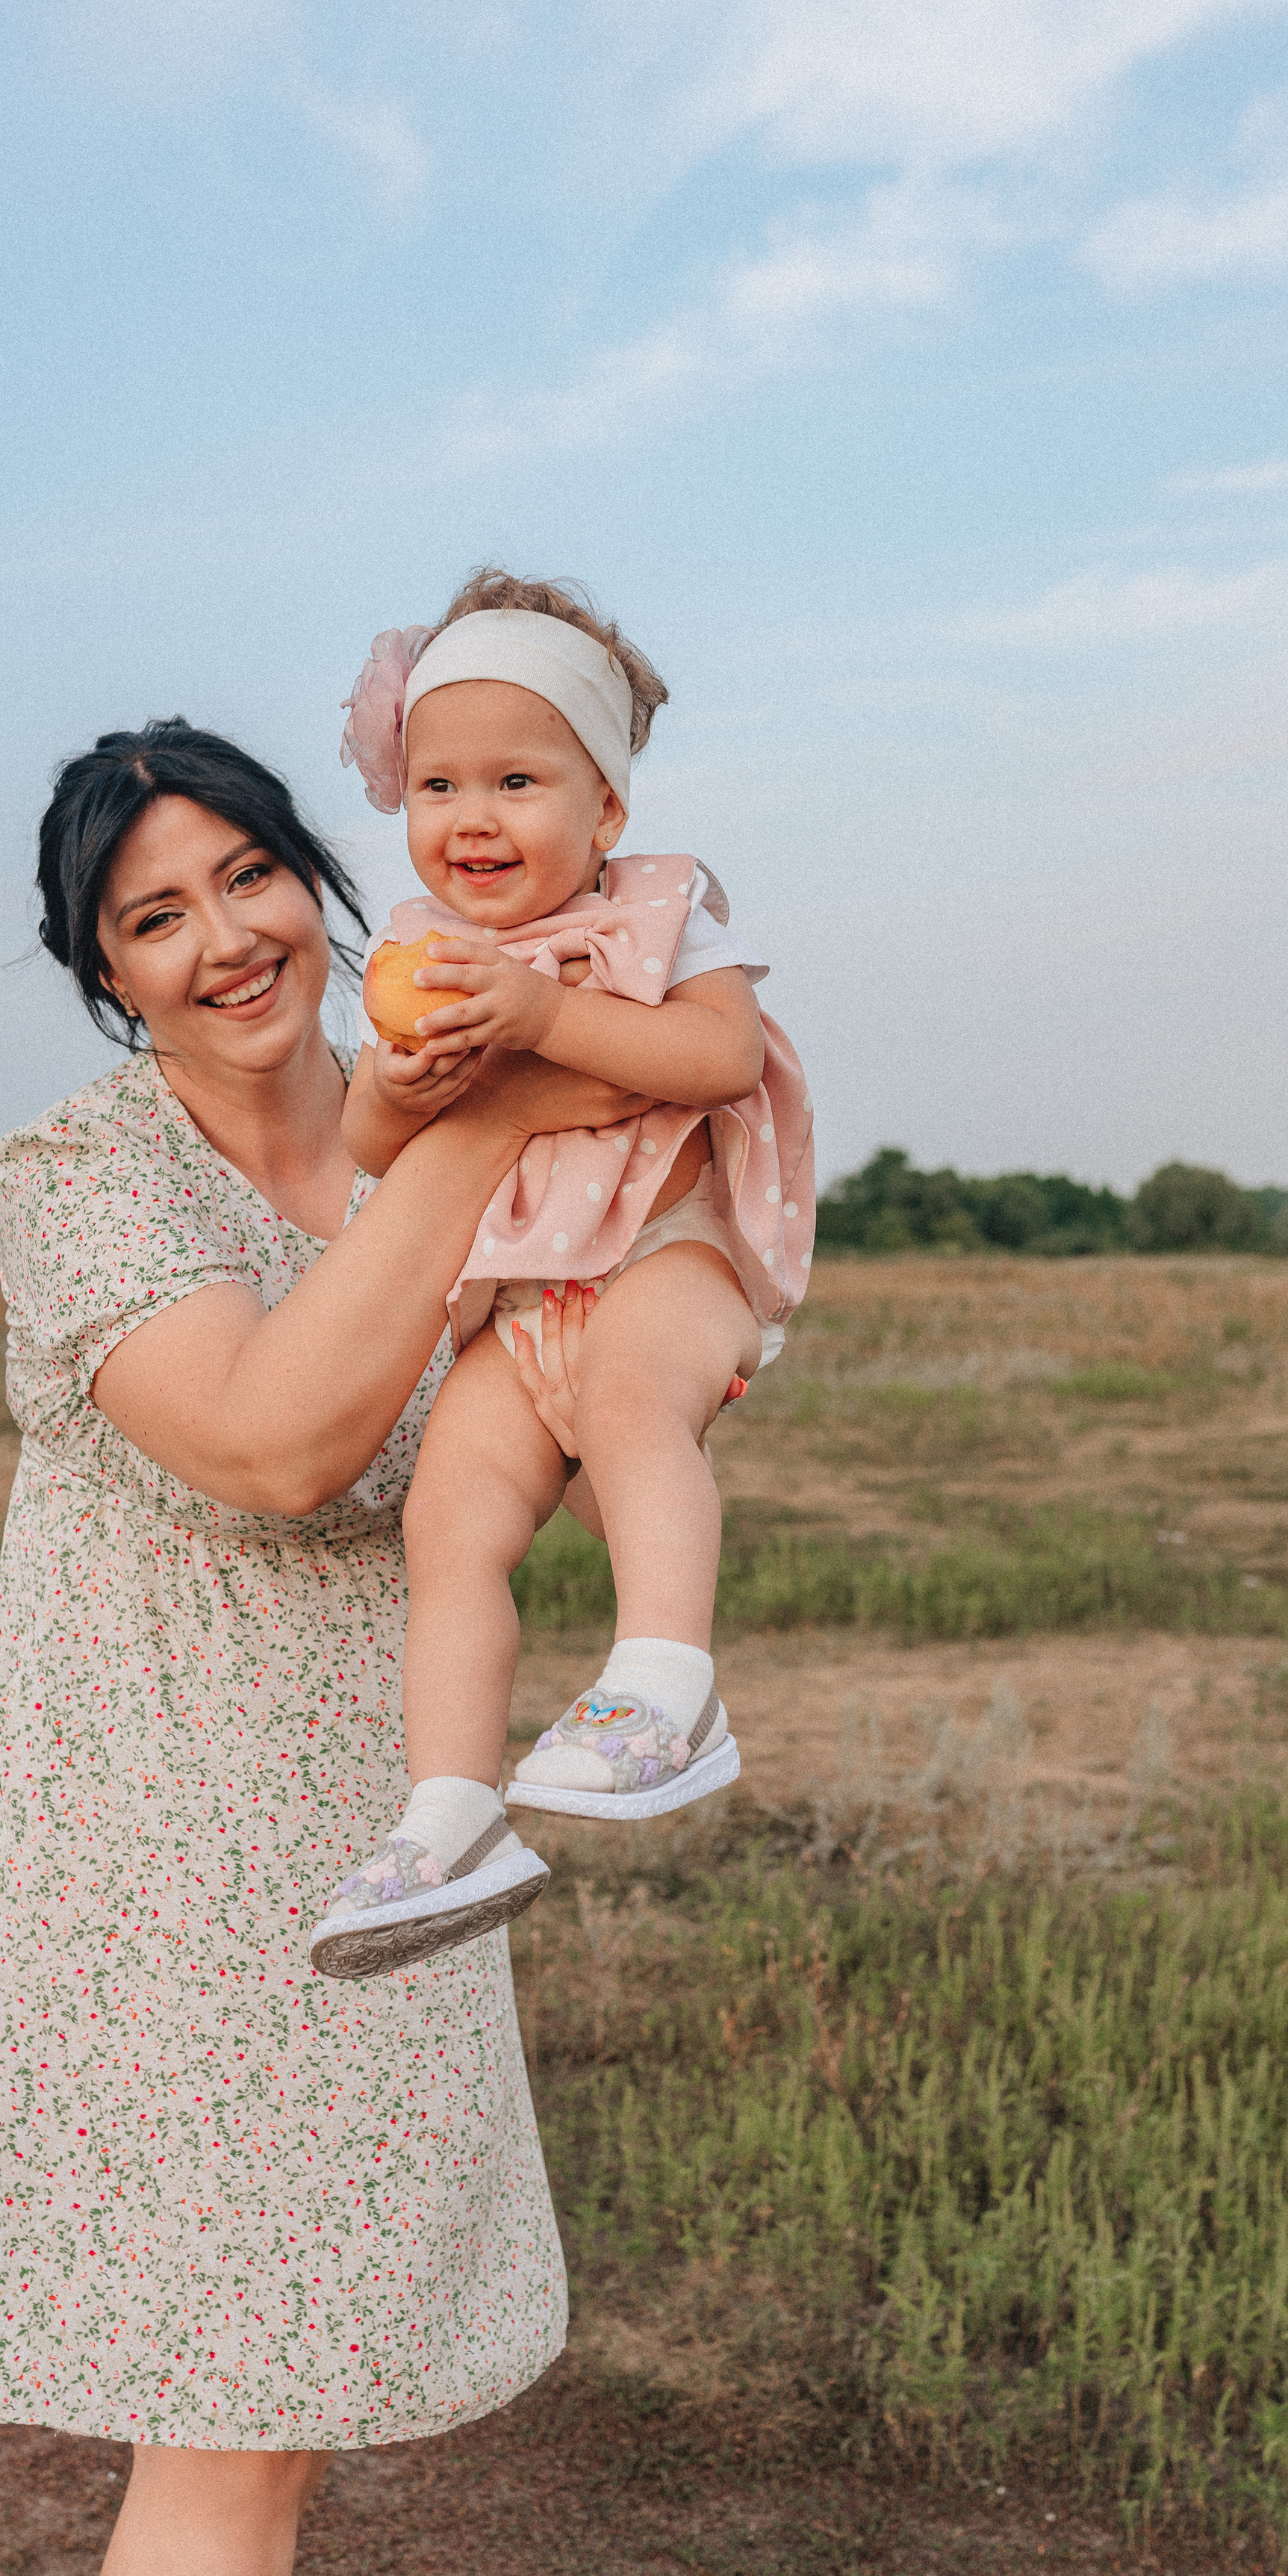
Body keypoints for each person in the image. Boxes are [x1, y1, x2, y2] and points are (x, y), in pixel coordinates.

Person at [0, 719, 640, 2576]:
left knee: (285, 2354)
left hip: (382, 1823)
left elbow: (519, 1449)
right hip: (157, 1854)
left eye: (247, 874)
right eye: (154, 914)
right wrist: (481, 1140)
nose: (225, 936)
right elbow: (272, 1440)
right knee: (229, 2420)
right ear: (104, 967)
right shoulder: (86, 1175)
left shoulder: (426, 1102)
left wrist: (639, 1362)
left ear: (314, 878)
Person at [306, 572, 814, 1982]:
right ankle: (450, 1815)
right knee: (447, 1522)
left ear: (606, 814)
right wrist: (401, 1083)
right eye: (439, 785)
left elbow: (718, 1055)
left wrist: (542, 1010)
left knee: (635, 1405)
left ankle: (666, 1683)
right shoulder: (419, 951)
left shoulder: (660, 909)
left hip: (667, 1250)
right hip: (521, 1307)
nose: (472, 817)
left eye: (517, 781)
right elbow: (370, 1145)